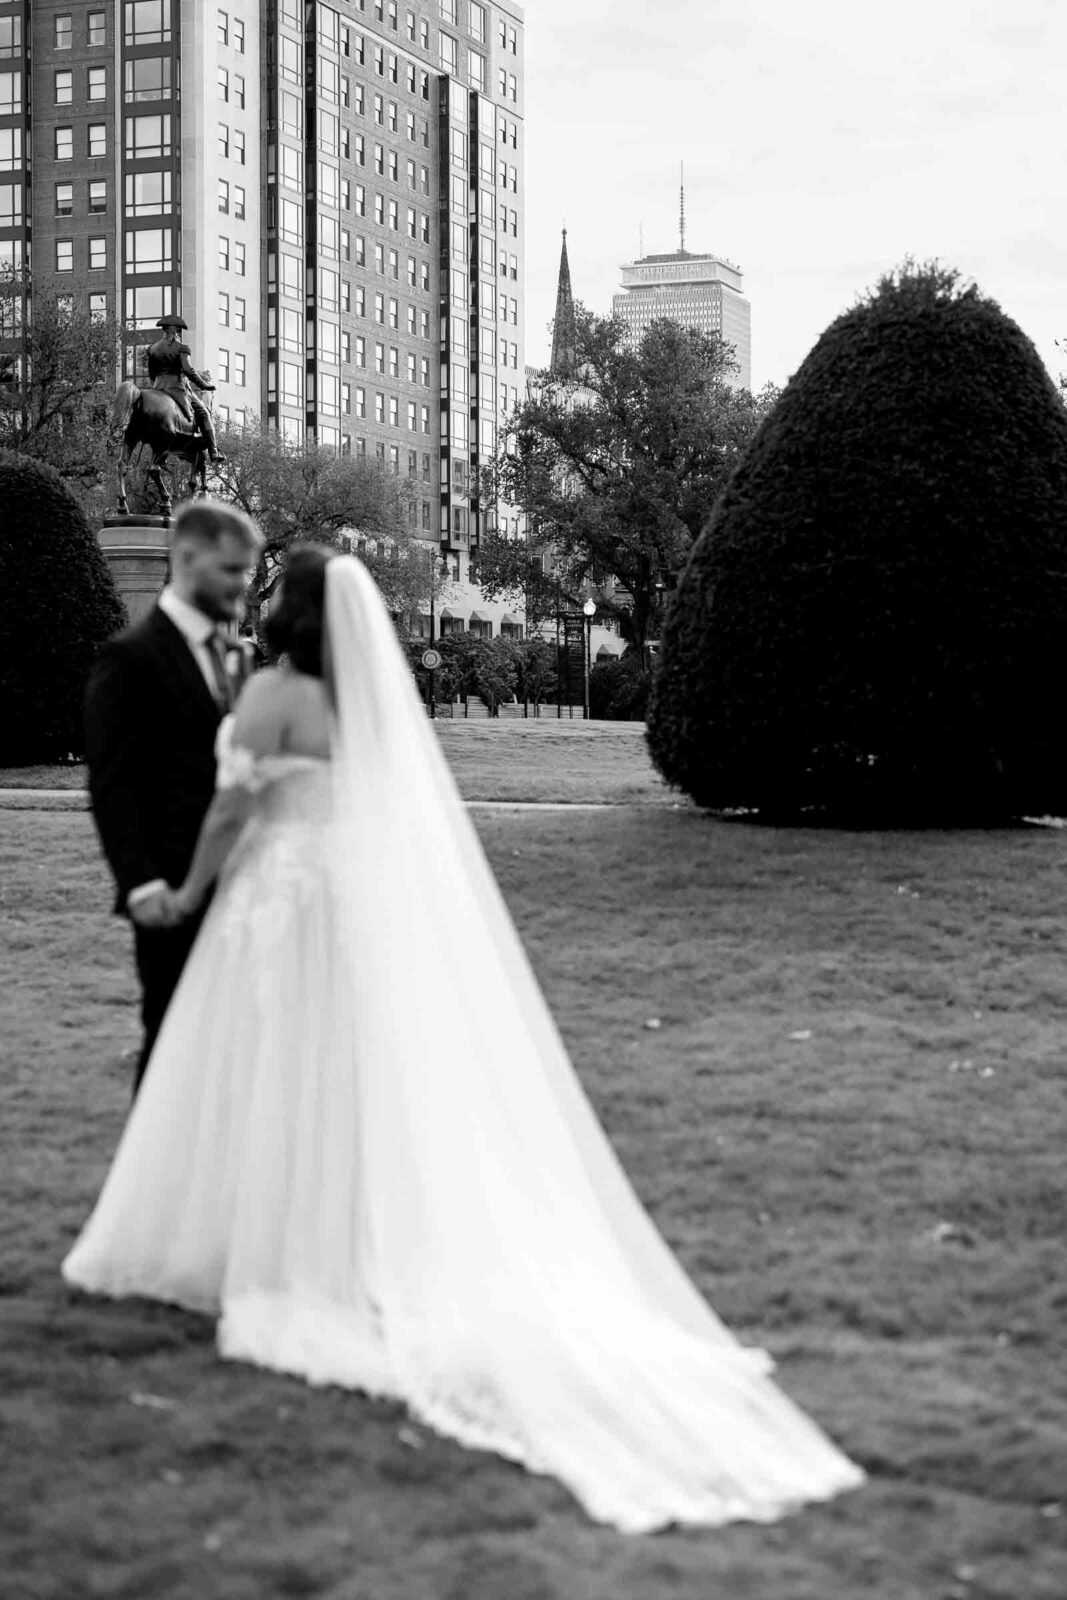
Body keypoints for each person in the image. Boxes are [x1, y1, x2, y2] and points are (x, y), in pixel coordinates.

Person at [64, 548, 864, 1533]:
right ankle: (343, 1233)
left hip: (277, 899)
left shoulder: (274, 689)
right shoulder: (364, 698)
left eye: (276, 590)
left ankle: (275, 1249)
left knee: (268, 1067)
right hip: (348, 903)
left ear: (296, 611)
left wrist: (188, 887)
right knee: (344, 1070)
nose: (262, 598)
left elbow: (234, 806)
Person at [82, 500, 261, 1093]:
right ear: (186, 558)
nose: (243, 586)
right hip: (170, 891)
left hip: (247, 886)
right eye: (231, 571)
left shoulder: (237, 656)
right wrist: (141, 884)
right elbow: (112, 785)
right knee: (171, 1048)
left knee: (237, 1051)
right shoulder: (129, 657)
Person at [145, 314, 226, 464]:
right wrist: (204, 385)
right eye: (179, 330)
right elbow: (188, 370)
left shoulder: (152, 348)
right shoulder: (181, 348)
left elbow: (151, 373)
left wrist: (156, 388)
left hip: (158, 389)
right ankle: (213, 451)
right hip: (177, 388)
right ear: (174, 330)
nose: (179, 333)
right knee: (204, 413)